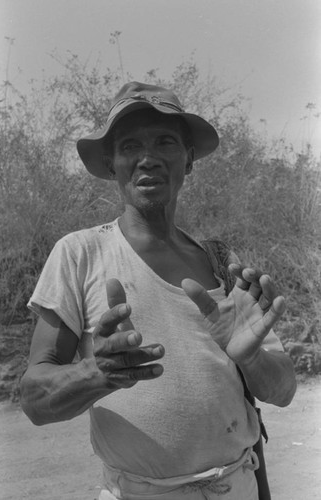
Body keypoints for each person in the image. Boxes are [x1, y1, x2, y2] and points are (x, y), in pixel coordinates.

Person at [20, 82, 296, 500]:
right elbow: (35, 400)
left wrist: (251, 358)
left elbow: (284, 390)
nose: (147, 158)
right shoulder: (80, 254)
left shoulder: (222, 262)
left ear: (189, 161)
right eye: (130, 145)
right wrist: (100, 372)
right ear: (112, 164)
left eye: (165, 141)